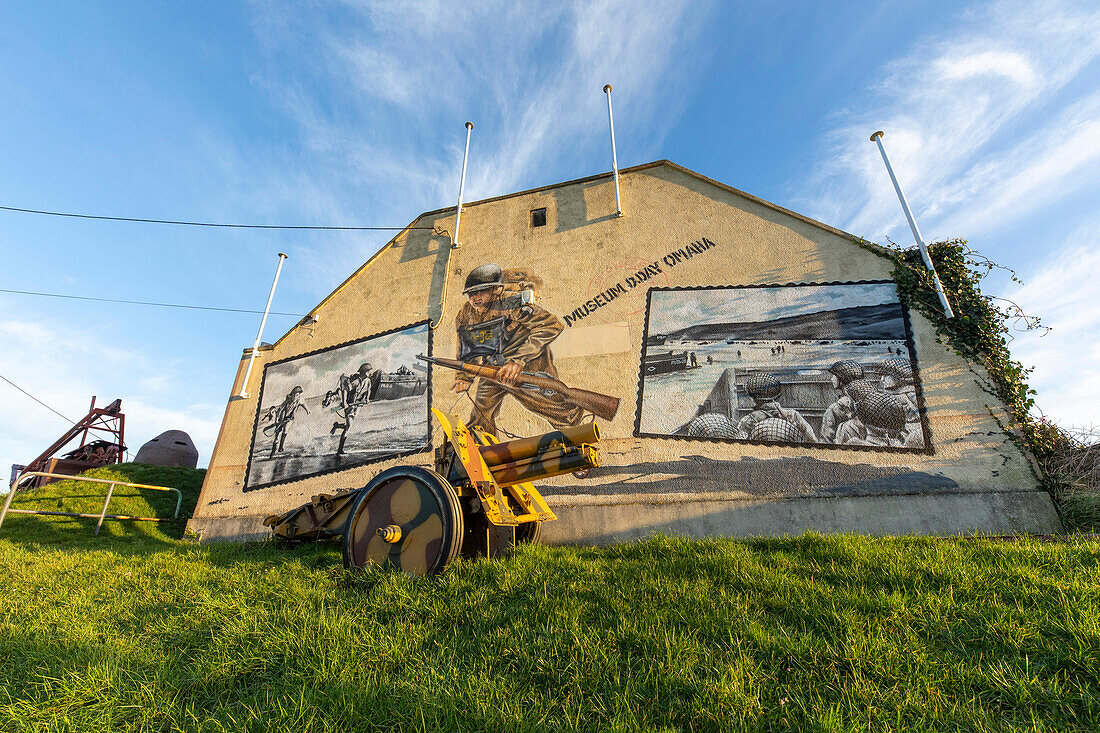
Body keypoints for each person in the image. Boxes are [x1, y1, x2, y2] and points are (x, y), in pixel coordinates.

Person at [451, 263, 583, 435]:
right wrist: (464, 376)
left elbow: (551, 325)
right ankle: (483, 449)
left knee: (552, 408)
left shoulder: (512, 302)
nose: (475, 298)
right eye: (471, 293)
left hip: (527, 365)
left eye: (480, 292)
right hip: (493, 368)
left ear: (496, 290)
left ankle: (578, 432)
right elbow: (468, 345)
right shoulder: (465, 314)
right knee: (480, 413)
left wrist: (518, 360)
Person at [734, 373, 818, 443]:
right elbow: (812, 441)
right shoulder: (793, 416)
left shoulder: (747, 421)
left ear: (753, 398)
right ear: (777, 395)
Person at [323, 362, 381, 455]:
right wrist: (345, 402)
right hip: (350, 405)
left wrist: (366, 399)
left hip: (358, 405)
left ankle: (337, 426)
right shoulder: (356, 381)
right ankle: (340, 450)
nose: (370, 372)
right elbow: (345, 389)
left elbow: (368, 390)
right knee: (349, 427)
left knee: (349, 426)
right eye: (369, 371)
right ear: (364, 372)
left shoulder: (368, 381)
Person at [820, 360, 878, 444]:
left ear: (841, 378)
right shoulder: (870, 403)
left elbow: (826, 440)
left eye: (834, 376)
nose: (831, 378)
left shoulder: (834, 409)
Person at [264, 385, 309, 458]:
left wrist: (307, 410)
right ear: (292, 394)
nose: (296, 397)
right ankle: (272, 452)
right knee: (276, 436)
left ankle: (281, 447)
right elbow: (279, 410)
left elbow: (303, 404)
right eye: (295, 395)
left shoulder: (300, 400)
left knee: (285, 430)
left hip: (290, 419)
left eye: (298, 395)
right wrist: (276, 420)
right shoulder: (287, 400)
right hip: (282, 418)